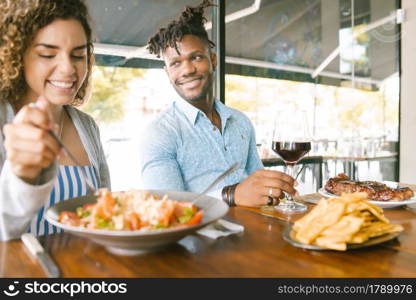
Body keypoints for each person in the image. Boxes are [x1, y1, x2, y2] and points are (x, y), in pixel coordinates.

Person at [140, 0, 297, 207]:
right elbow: (167, 207)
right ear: (167, 72)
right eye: (176, 63)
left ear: (212, 60)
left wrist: (273, 189)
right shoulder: (160, 133)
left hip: (251, 232)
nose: (187, 70)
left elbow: (257, 183)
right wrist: (231, 194)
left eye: (196, 57)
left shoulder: (241, 121)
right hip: (197, 239)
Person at [0, 0, 110, 241]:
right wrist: (21, 175)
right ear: (16, 55)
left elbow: (105, 213)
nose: (68, 68)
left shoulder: (87, 126)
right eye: (48, 54)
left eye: (78, 55)